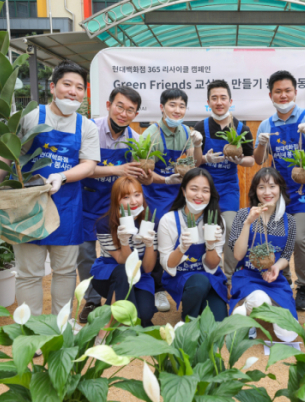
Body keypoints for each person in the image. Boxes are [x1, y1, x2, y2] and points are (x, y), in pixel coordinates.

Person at [0, 60, 99, 319]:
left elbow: (89, 165)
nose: (73, 91)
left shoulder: (87, 126)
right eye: (67, 84)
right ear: (52, 86)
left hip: (66, 206)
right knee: (28, 273)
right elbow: (5, 153)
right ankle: (32, 329)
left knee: (66, 270)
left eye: (79, 87)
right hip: (26, 205)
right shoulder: (31, 117)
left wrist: (62, 176)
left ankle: (60, 326)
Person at [253, 70, 305, 311]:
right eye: (278, 91)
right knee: (279, 236)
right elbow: (259, 159)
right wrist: (263, 143)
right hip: (278, 193)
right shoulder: (266, 124)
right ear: (270, 95)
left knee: (300, 238)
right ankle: (283, 280)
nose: (283, 95)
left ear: (295, 92)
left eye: (288, 90)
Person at [77, 86, 145, 323]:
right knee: (85, 254)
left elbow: (135, 177)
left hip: (116, 208)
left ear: (135, 114)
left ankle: (114, 295)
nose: (123, 113)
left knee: (113, 253)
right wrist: (116, 169)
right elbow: (80, 166)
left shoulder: (135, 141)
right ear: (108, 105)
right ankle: (92, 300)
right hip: (86, 201)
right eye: (120, 106)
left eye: (130, 110)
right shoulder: (89, 129)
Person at [139, 89, 204, 313]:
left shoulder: (187, 131)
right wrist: (166, 179)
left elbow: (193, 164)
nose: (177, 110)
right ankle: (157, 287)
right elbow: (143, 173)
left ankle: (184, 277)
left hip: (179, 192)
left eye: (181, 106)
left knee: (188, 230)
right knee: (159, 231)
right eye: (172, 105)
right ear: (162, 108)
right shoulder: (150, 134)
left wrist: (196, 145)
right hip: (156, 192)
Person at [194, 80, 255, 281]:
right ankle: (205, 272)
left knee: (230, 228)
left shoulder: (242, 128)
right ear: (208, 102)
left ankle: (229, 276)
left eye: (223, 98)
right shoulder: (199, 127)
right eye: (214, 98)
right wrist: (205, 158)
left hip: (228, 189)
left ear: (230, 101)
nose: (219, 102)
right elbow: (194, 162)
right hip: (204, 189)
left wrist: (239, 159)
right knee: (204, 230)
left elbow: (251, 159)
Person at [229, 168, 298, 341]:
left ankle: (250, 312)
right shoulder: (243, 215)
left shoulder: (289, 221)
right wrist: (248, 223)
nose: (267, 192)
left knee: (289, 334)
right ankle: (246, 313)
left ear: (280, 189)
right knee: (260, 300)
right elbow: (238, 255)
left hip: (273, 279)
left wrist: (276, 267)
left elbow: (286, 255)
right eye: (261, 187)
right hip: (247, 275)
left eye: (272, 186)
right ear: (255, 191)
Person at [157, 168, 227, 322]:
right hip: (182, 279)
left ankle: (199, 303)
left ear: (211, 194)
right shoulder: (168, 221)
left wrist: (210, 245)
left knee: (217, 323)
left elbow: (213, 265)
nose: (199, 195)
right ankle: (187, 322)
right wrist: (181, 248)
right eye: (193, 189)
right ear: (183, 191)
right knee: (198, 284)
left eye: (205, 191)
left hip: (210, 278)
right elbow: (167, 264)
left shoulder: (217, 222)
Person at [91, 176, 157, 328]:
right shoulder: (104, 224)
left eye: (137, 195)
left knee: (145, 314)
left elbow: (147, 268)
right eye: (126, 197)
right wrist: (124, 241)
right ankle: (108, 326)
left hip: (140, 276)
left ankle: (113, 314)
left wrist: (149, 245)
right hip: (110, 276)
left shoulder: (150, 222)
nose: (134, 201)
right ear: (117, 200)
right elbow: (123, 261)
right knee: (123, 272)